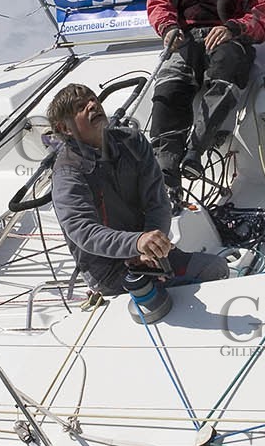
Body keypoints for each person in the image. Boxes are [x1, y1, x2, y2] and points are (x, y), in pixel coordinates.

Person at [46, 83, 229, 297]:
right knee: (170, 299)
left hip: (149, 252)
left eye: (93, 98)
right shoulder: (67, 173)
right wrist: (136, 244)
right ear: (64, 128)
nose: (93, 104)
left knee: (215, 269)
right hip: (110, 271)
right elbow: (83, 231)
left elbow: (157, 201)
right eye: (80, 106)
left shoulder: (132, 141)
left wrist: (149, 248)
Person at [145, 0, 265, 190]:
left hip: (227, 40)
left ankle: (196, 150)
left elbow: (262, 18)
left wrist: (233, 27)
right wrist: (168, 28)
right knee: (169, 88)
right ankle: (166, 167)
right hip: (186, 38)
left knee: (229, 69)